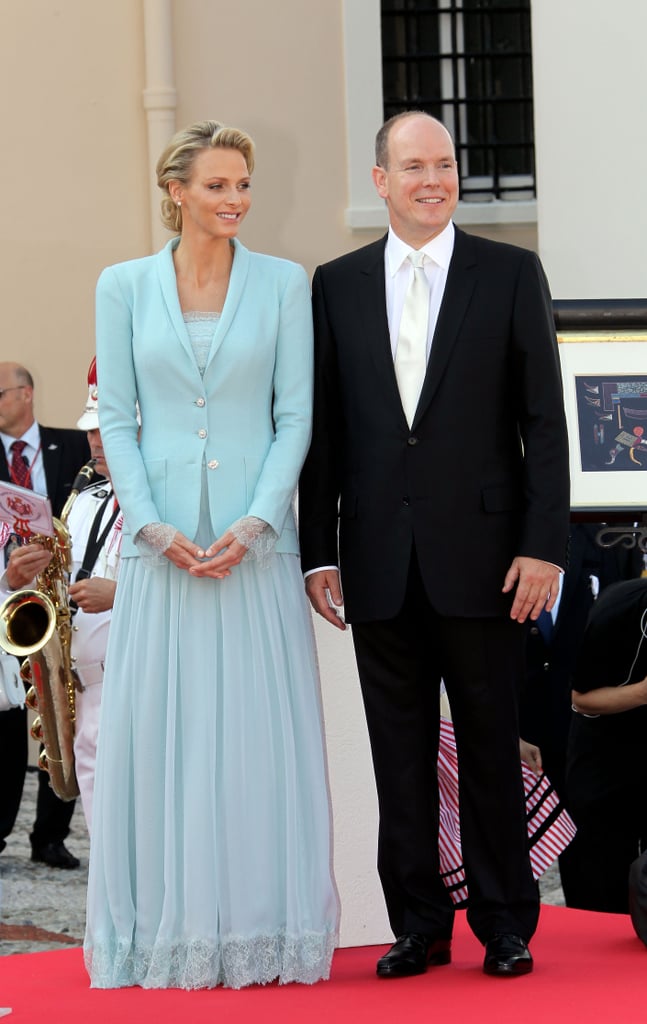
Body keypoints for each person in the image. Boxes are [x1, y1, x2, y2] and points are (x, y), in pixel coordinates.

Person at [298, 111, 570, 978]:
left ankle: (504, 923)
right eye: (413, 166)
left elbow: (543, 421)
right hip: (377, 559)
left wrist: (543, 546)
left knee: (490, 745)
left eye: (444, 165)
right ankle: (417, 923)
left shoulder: (509, 273)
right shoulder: (335, 284)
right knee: (399, 755)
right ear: (379, 180)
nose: (432, 180)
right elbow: (326, 431)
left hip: (489, 560)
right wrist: (319, 549)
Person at [84, 120, 338, 990]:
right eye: (219, 185)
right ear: (177, 191)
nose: (235, 200)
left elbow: (294, 415)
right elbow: (116, 417)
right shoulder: (122, 286)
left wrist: (260, 522)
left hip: (250, 549)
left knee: (258, 738)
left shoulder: (281, 284)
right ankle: (160, 931)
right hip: (164, 552)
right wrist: (149, 526)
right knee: (164, 737)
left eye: (243, 185)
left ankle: (265, 928)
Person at [2, 359, 122, 833]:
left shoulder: (161, 503)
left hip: (131, 682)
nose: (93, 439)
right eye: (89, 430)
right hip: (83, 686)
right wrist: (18, 578)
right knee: (101, 835)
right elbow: (56, 584)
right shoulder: (85, 498)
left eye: (103, 429)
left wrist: (121, 595)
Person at [0, 361, 89, 869]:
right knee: (12, 720)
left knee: (62, 708)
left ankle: (51, 836)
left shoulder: (73, 446)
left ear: (26, 394)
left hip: (65, 595)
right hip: (8, 595)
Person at [564, 577, 647, 913]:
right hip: (606, 761)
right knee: (604, 882)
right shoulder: (620, 607)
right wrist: (643, 693)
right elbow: (580, 698)